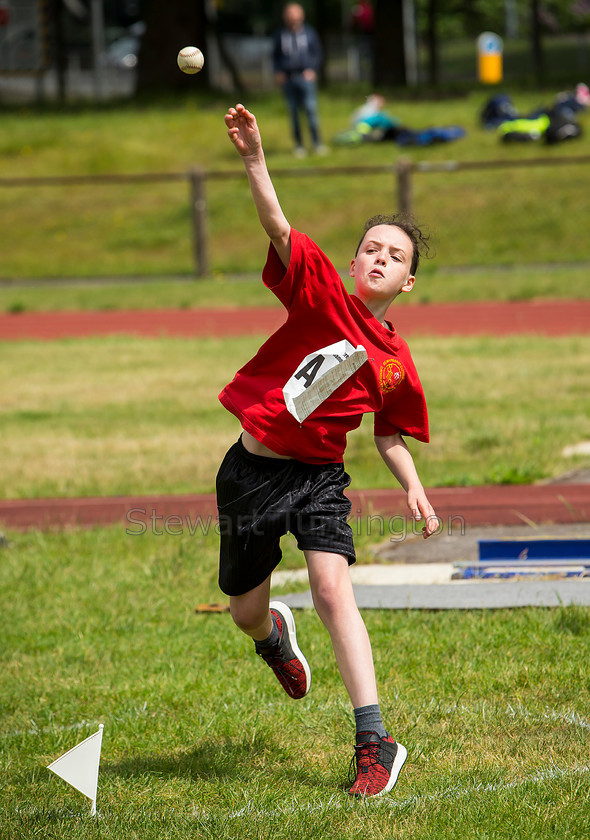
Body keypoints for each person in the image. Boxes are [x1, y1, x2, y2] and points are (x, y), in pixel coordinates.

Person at [217, 103, 439, 798]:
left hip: (318, 479)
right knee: (245, 611)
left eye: (395, 255)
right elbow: (279, 229)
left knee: (331, 586)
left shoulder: (395, 361)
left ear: (407, 282)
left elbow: (389, 430)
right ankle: (273, 638)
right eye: (372, 248)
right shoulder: (319, 296)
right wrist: (256, 160)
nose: (381, 257)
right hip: (251, 471)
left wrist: (411, 484)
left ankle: (374, 740)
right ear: (350, 263)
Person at [272, 3, 327, 157]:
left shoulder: (309, 33)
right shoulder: (280, 34)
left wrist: (313, 70)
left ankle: (317, 143)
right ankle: (299, 145)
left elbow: (317, 53)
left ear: (301, 15)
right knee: (294, 113)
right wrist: (278, 72)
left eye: (295, 13)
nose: (293, 16)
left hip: (306, 77)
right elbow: (275, 56)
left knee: (310, 109)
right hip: (288, 78)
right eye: (290, 13)